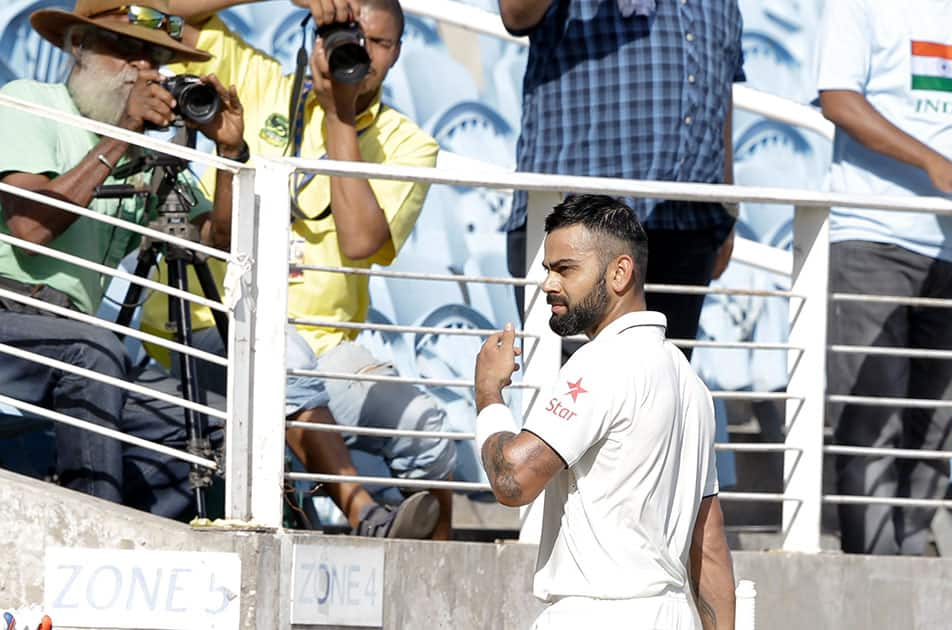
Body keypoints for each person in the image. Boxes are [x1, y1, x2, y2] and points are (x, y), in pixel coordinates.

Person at [151, 0, 457, 538]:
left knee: (427, 429)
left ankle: (436, 577)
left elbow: (360, 240)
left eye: (376, 43)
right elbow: (170, 12)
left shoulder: (410, 143)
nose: (359, 50)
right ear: (313, 34)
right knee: (281, 355)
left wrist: (341, 113)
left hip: (328, 353)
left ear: (398, 53)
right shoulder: (263, 82)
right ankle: (365, 514)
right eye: (344, 35)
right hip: (225, 326)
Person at [0, 0, 246, 518]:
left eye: (151, 57)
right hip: (10, 311)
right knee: (96, 351)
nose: (140, 68)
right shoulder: (30, 102)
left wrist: (229, 154)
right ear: (78, 46)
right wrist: (123, 136)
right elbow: (30, 227)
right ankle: (92, 537)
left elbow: (216, 240)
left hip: (70, 334)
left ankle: (139, 553)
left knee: (212, 425)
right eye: (125, 50)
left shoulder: (142, 152)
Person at [474, 195, 735, 629]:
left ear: (620, 272)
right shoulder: (692, 385)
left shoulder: (601, 363)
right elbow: (709, 547)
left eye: (565, 269)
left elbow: (512, 480)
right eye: (547, 270)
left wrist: (488, 394)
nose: (548, 285)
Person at [817, 0, 952, 555]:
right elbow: (838, 100)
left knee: (934, 425)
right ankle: (870, 582)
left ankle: (913, 567)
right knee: (871, 423)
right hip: (872, 233)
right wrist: (932, 163)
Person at [497, 0, 745, 357]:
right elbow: (516, 12)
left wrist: (726, 202)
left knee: (662, 399)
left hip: (688, 225)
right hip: (581, 228)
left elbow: (721, 91)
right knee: (575, 400)